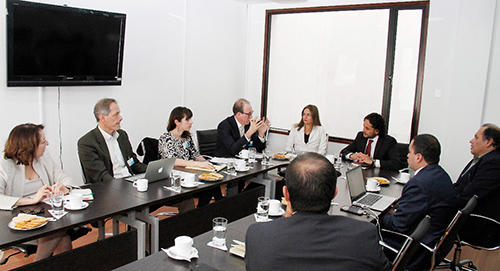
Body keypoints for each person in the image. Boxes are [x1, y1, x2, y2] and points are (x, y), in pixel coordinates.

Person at [245, 152, 391, 271]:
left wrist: (287, 220)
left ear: (286, 194)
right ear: (334, 193)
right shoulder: (364, 234)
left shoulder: (258, 235)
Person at [380, 134, 458, 270]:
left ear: (419, 157)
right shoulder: (441, 174)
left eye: (410, 152)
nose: (408, 156)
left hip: (416, 248)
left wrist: (379, 217)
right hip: (431, 239)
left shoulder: (420, 183)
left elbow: (398, 225)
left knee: (366, 230)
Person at [0, 124, 72, 261]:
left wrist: (64, 187)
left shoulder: (43, 158)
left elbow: (64, 177)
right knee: (56, 233)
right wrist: (31, 200)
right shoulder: (4, 165)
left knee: (61, 235)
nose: (47, 144)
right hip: (16, 221)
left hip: (45, 215)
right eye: (43, 142)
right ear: (29, 146)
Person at [159, 106, 222, 207]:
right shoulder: (166, 138)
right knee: (209, 188)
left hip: (190, 173)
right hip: (175, 178)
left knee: (213, 184)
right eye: (187, 120)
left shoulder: (186, 137)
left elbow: (196, 155)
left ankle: (202, 213)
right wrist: (198, 164)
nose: (191, 122)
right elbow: (172, 161)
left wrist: (207, 163)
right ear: (177, 122)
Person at [78, 98, 146, 183]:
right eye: (116, 115)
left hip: (130, 182)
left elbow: (133, 163)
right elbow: (101, 176)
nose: (120, 118)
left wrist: (153, 171)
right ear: (102, 118)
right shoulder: (87, 143)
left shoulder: (122, 135)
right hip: (108, 189)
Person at [454, 124, 500, 243]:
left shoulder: (493, 163)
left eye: (476, 137)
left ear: (489, 142)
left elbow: (469, 196)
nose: (471, 141)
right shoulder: (481, 159)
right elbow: (460, 186)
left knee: (426, 217)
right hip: (465, 215)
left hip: (477, 224)